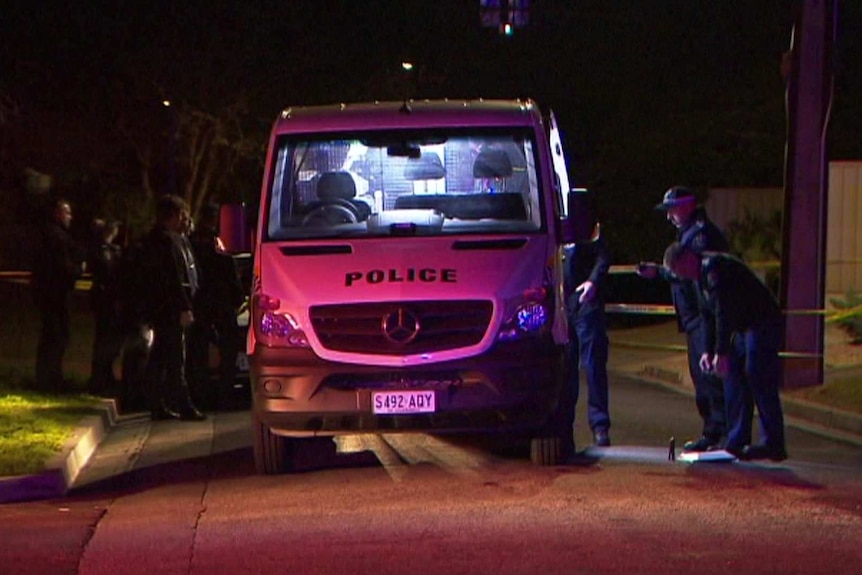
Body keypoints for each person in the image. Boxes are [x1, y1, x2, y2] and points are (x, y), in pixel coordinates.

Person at [663, 242, 787, 461]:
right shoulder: (697, 278)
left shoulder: (714, 268)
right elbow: (707, 315)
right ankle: (737, 439)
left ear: (687, 259)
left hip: (762, 320)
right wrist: (707, 352)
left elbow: (723, 310)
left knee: (757, 372)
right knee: (733, 375)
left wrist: (720, 352)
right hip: (744, 325)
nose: (682, 276)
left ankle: (773, 443)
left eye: (680, 270)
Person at [636, 186, 730, 453]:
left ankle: (721, 433)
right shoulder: (690, 233)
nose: (669, 217)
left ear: (687, 206)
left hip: (703, 316)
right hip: (693, 318)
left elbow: (694, 273)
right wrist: (661, 272)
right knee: (701, 378)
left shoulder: (701, 236)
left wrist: (663, 273)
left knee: (710, 376)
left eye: (672, 210)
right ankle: (713, 431)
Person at [140, 194, 206, 421]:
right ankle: (183, 405)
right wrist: (183, 306)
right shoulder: (164, 242)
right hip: (169, 310)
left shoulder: (172, 240)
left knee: (161, 355)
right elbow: (173, 277)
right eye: (181, 215)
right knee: (176, 357)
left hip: (168, 308)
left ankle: (157, 403)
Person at [559, 195, 612, 456]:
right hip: (561, 306)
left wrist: (592, 282)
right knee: (564, 371)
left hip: (584, 302)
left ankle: (600, 426)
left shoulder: (584, 222)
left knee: (592, 365)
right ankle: (563, 429)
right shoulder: (551, 221)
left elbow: (603, 257)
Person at [187, 203, 245, 410]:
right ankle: (225, 392)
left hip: (201, 306)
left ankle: (199, 391)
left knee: (198, 351)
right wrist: (236, 301)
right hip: (222, 306)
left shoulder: (191, 248)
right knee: (228, 351)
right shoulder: (220, 253)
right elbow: (233, 282)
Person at [30, 198, 86, 392]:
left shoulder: (54, 234)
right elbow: (62, 266)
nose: (70, 217)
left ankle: (51, 377)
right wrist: (79, 270)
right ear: (57, 213)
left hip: (53, 293)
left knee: (56, 335)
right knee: (55, 336)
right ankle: (49, 379)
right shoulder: (55, 236)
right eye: (66, 213)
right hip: (54, 293)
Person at [87, 218, 123, 396]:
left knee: (109, 340)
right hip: (105, 300)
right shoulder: (100, 250)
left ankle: (105, 376)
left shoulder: (111, 250)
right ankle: (99, 379)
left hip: (110, 300)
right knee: (104, 340)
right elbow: (105, 272)